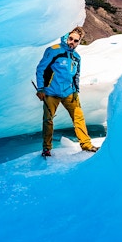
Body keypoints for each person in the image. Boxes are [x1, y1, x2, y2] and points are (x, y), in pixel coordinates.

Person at [35, 26, 99, 157]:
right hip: (51, 93)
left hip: (69, 93)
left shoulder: (76, 57)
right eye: (71, 39)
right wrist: (41, 89)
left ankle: (86, 144)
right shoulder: (53, 51)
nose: (72, 42)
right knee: (48, 120)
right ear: (66, 37)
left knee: (79, 118)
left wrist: (76, 90)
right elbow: (41, 69)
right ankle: (46, 148)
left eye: (76, 41)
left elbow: (76, 75)